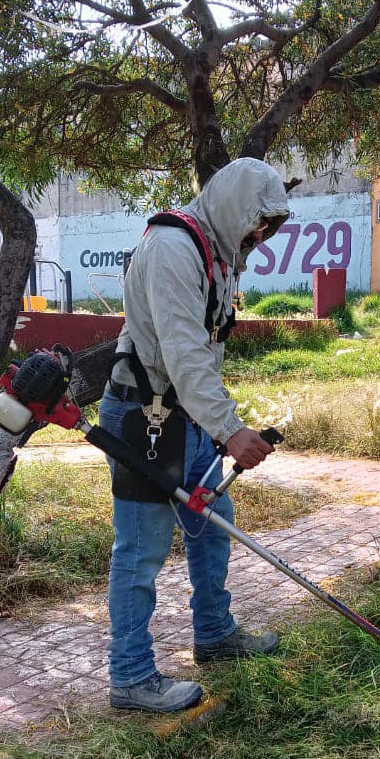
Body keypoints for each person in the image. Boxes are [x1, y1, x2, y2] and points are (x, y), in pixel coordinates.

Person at [99, 158, 291, 712]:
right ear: (234, 209)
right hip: (143, 419)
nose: (263, 236)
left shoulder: (218, 253)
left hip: (183, 416)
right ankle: (131, 677)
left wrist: (216, 424)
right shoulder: (173, 248)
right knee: (141, 550)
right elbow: (183, 353)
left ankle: (214, 635)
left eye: (271, 226)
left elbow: (203, 351)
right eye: (260, 223)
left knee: (212, 524)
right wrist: (230, 430)